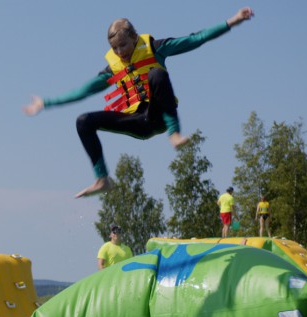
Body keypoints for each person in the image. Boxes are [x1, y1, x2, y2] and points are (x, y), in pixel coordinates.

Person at [23, 7, 255, 198]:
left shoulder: (155, 48)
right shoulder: (112, 69)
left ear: (135, 38)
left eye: (123, 45)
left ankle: (174, 133)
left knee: (156, 74)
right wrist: (46, 102)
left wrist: (233, 21)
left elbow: (196, 39)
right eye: (115, 48)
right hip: (136, 121)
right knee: (83, 121)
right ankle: (102, 178)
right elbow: (83, 91)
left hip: (159, 115)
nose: (120, 51)